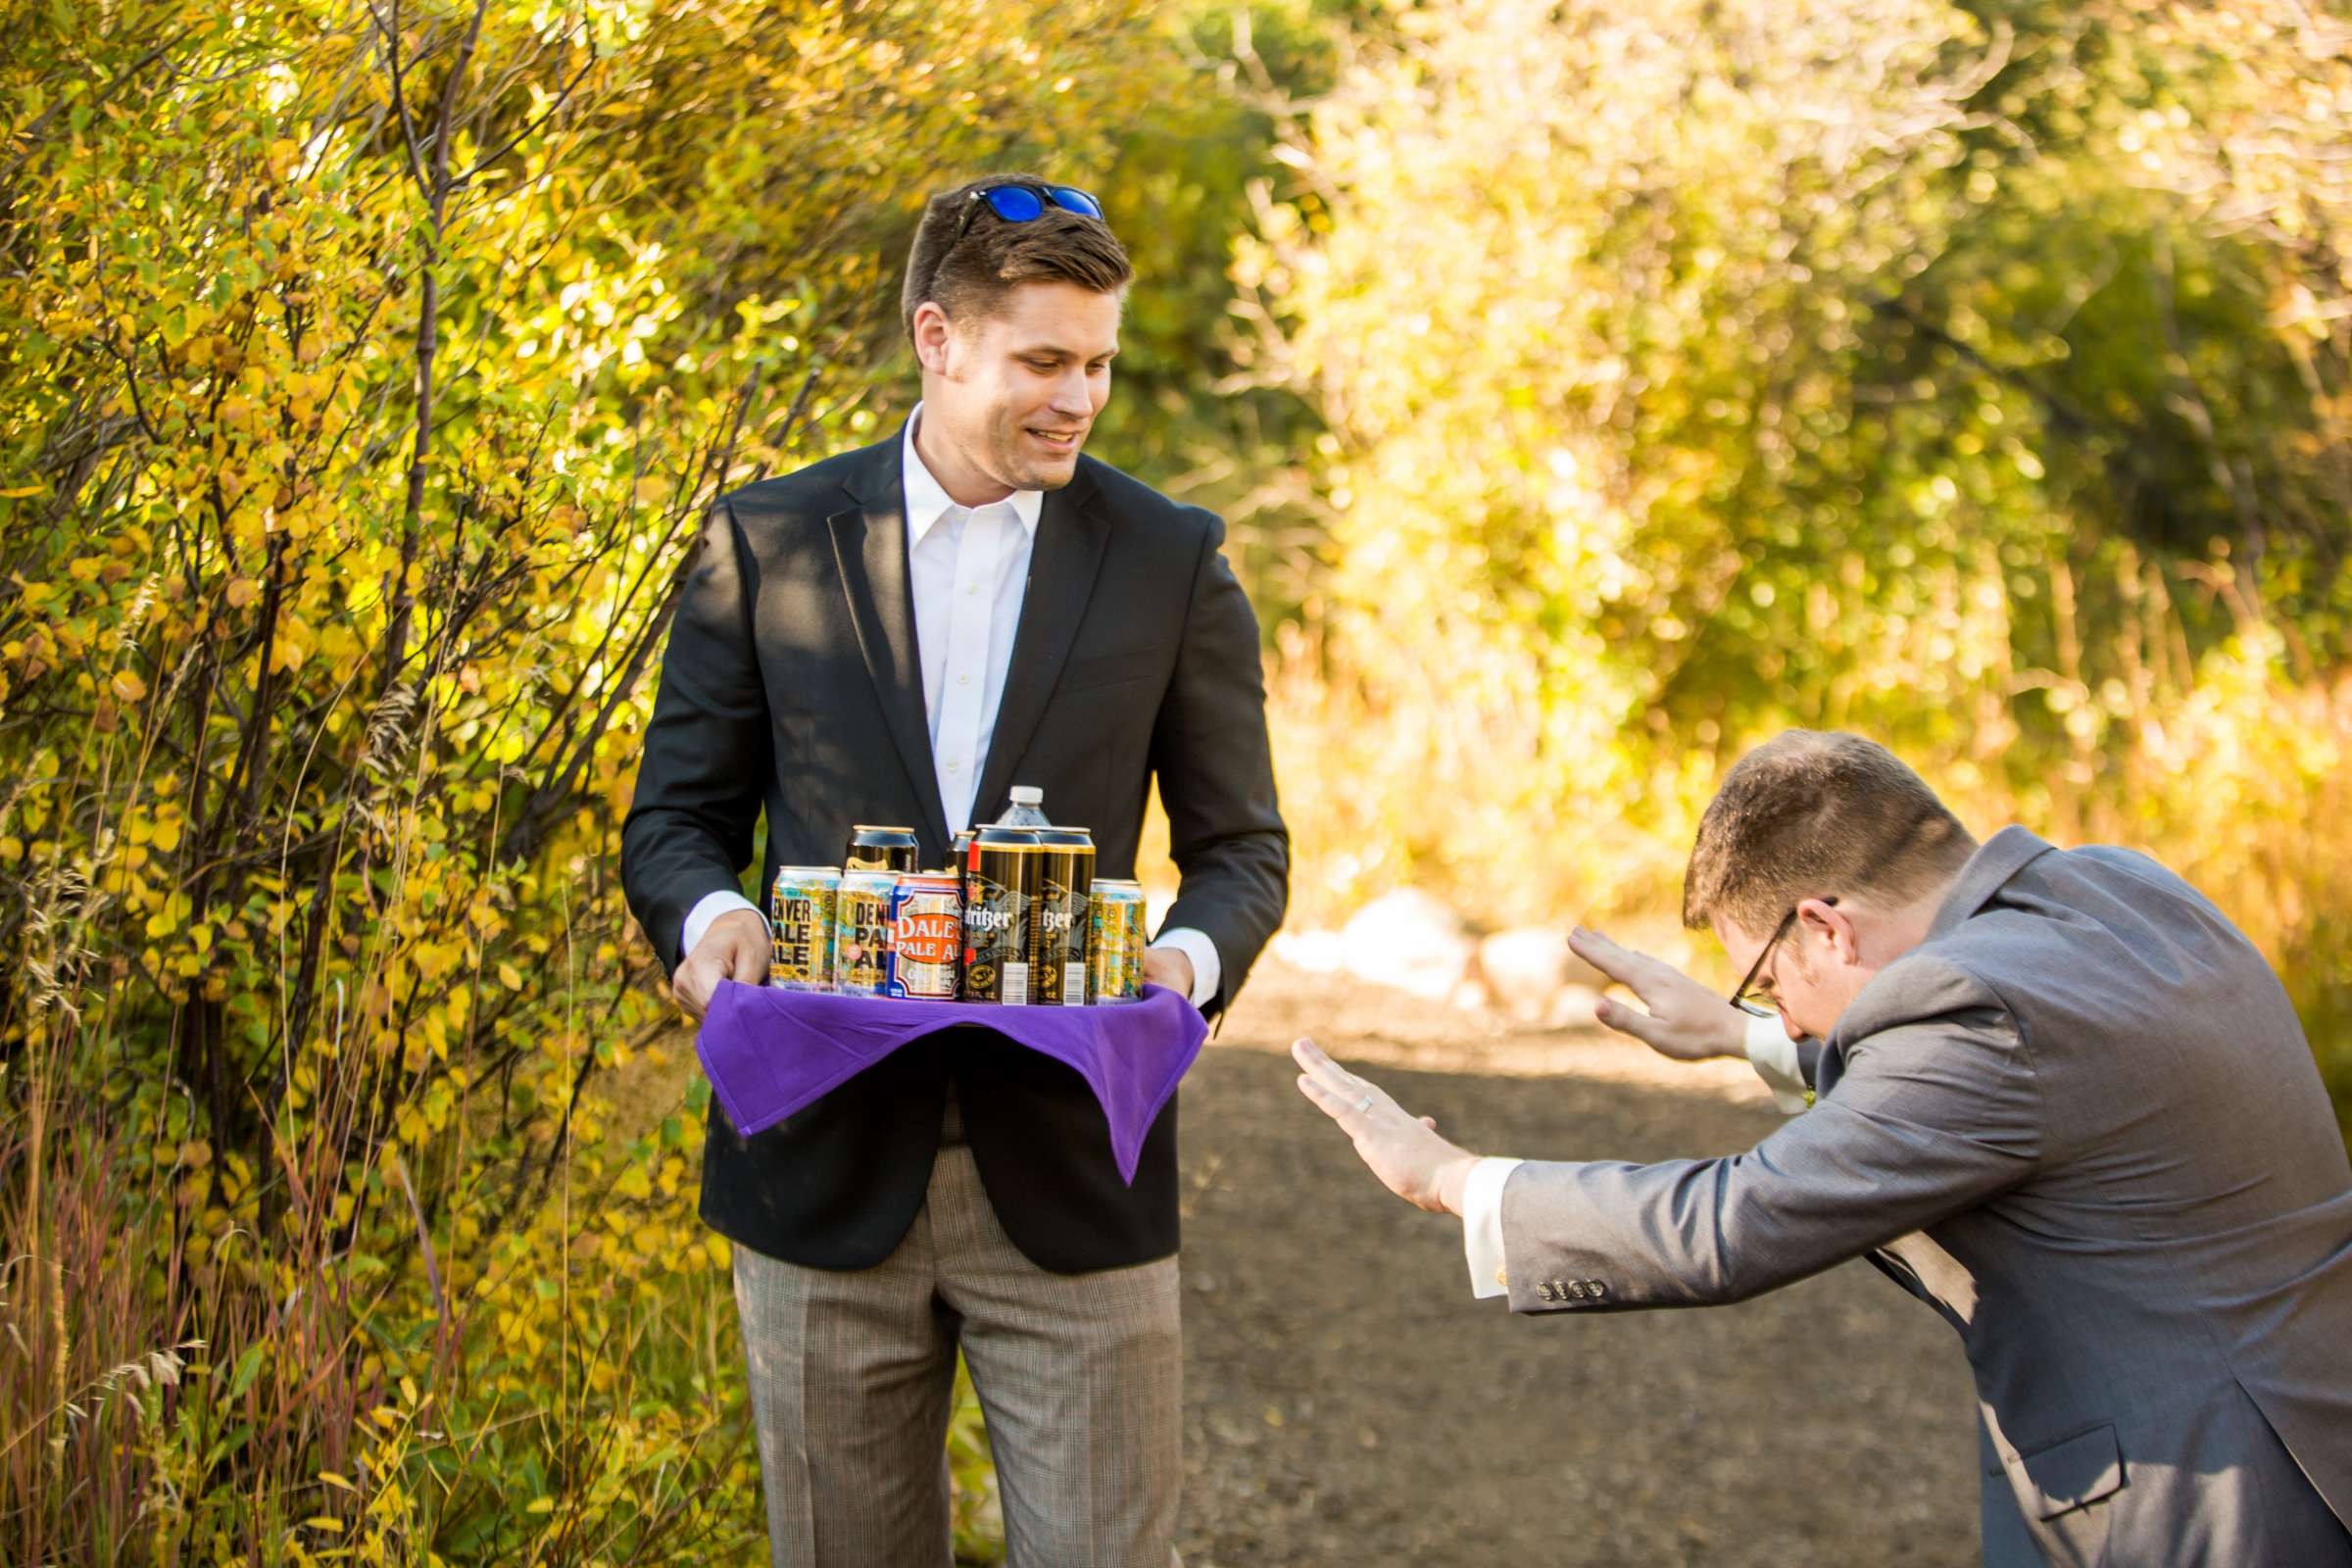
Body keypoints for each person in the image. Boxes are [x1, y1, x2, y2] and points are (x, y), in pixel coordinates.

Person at [622, 172, 1288, 1567]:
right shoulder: (768, 542)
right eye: (1044, 361)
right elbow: (674, 824)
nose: (1080, 397)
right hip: (815, 1172)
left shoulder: (1173, 562)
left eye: (1098, 363)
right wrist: (719, 917)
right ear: (938, 339)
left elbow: (1241, 852)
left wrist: (1184, 966)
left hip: (1073, 1176)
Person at [1294, 730, 2351, 1565]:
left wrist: (1457, 1180)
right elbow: (2035, 1080)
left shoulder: (1973, 1016)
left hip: (2202, 1499)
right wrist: (1737, 1031)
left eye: (1768, 983)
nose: (1791, 1019)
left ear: (1829, 927)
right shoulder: (2114, 890)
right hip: (2305, 1430)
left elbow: (1736, 1220)